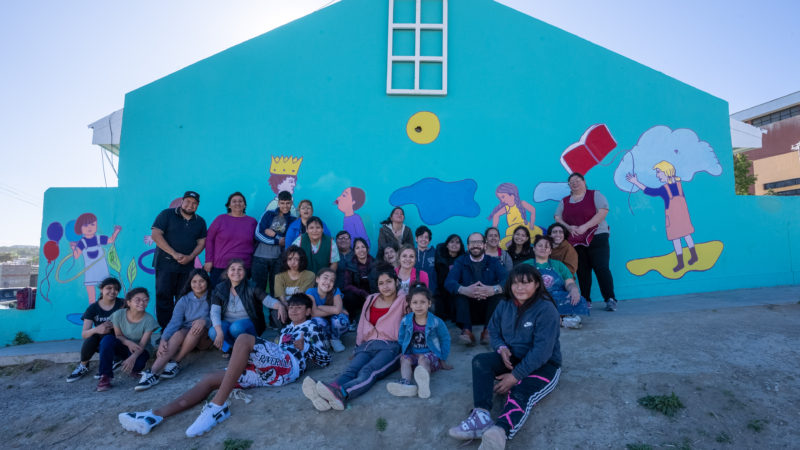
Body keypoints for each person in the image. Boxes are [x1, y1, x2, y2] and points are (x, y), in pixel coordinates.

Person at [118, 293, 331, 437]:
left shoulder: (312, 326)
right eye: (291, 307)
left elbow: (324, 359)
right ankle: (154, 415)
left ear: (308, 311)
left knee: (244, 338)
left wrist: (305, 347)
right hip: (271, 370)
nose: (293, 311)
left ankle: (217, 407)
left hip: (289, 366)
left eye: (299, 308)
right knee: (210, 379)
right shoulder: (285, 331)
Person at [448, 264, 561, 449]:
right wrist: (501, 348)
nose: (520, 288)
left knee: (520, 391)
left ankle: (500, 432)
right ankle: (481, 416)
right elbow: (493, 330)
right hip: (513, 357)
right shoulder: (505, 304)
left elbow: (542, 351)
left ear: (537, 284)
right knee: (480, 362)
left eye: (526, 283)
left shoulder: (546, 309)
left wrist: (515, 376)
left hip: (545, 364)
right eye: (515, 283)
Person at [302, 269, 407, 411]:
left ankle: (342, 393)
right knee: (350, 370)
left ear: (396, 282)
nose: (385, 286)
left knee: (368, 371)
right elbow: (362, 325)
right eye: (381, 283)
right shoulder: (371, 299)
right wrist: (357, 347)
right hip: (367, 345)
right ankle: (328, 392)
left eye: (389, 282)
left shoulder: (404, 300)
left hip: (391, 347)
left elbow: (414, 322)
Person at [135, 269, 213, 391]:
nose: (198, 284)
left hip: (205, 337)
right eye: (194, 281)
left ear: (207, 282)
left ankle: (176, 361)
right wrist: (164, 339)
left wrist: (205, 321)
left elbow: (220, 316)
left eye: (201, 281)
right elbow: (174, 322)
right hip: (187, 336)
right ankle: (152, 373)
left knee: (195, 329)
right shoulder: (184, 300)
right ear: (190, 283)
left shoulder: (213, 296)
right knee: (177, 333)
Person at [554, 172, 618, 311]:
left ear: (584, 182)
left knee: (601, 267)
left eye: (577, 180)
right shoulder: (565, 201)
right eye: (571, 182)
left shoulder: (595, 195)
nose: (575, 183)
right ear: (569, 186)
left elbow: (603, 212)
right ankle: (586, 300)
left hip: (597, 236)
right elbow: (557, 217)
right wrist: (568, 227)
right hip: (576, 239)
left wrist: (585, 226)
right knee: (582, 270)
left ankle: (610, 298)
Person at [626, 161, 698, 272]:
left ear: (666, 172)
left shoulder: (665, 189)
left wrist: (636, 182)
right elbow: (651, 191)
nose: (657, 175)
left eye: (659, 172)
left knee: (678, 238)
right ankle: (690, 257)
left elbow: (650, 191)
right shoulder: (679, 185)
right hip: (682, 217)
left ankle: (684, 261)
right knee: (685, 236)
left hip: (675, 219)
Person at [151, 191, 208, 329]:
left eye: (194, 203)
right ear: (182, 201)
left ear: (198, 205)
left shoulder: (200, 222)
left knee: (183, 298)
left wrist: (191, 257)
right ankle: (166, 330)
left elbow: (202, 243)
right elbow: (156, 235)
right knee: (164, 297)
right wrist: (174, 253)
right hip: (165, 264)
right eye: (188, 201)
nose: (190, 205)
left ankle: (179, 330)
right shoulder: (166, 214)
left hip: (187, 267)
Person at [208, 259, 287, 355]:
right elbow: (215, 312)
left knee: (236, 327)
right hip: (227, 323)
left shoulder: (252, 286)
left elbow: (267, 300)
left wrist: (280, 305)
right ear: (227, 272)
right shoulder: (220, 288)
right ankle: (230, 349)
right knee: (213, 332)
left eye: (240, 269)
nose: (236, 272)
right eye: (232, 269)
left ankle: (247, 347)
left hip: (248, 324)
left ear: (245, 272)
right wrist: (219, 332)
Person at [386, 284, 450, 399]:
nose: (418, 306)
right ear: (410, 304)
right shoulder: (406, 321)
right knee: (404, 359)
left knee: (423, 359)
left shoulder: (436, 322)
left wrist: (443, 359)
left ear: (429, 303)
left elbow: (445, 339)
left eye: (422, 302)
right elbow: (401, 338)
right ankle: (406, 383)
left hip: (430, 357)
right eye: (415, 302)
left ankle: (423, 386)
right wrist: (402, 354)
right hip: (413, 355)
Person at [445, 232, 507, 346]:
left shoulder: (493, 261)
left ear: (485, 245)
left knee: (499, 295)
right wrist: (465, 290)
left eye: (479, 242)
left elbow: (507, 280)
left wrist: (493, 289)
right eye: (472, 243)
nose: (475, 246)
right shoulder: (460, 261)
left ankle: (488, 331)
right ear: (468, 246)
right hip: (467, 312)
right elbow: (449, 282)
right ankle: (467, 331)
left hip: (488, 310)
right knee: (459, 293)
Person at [96, 287, 159, 391]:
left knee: (137, 365)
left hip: (140, 349)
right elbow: (118, 336)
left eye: (145, 300)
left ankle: (130, 365)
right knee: (107, 340)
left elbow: (142, 344)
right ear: (129, 302)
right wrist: (128, 343)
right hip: (124, 345)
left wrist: (133, 357)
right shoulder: (118, 314)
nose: (142, 303)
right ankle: (105, 376)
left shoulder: (149, 320)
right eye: (137, 300)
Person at [522, 235, 589, 328]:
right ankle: (562, 320)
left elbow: (569, 282)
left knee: (578, 299)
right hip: (536, 297)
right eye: (540, 245)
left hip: (557, 297)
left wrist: (574, 290)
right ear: (534, 249)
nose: (543, 248)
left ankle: (547, 319)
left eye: (546, 246)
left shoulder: (558, 265)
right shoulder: (525, 265)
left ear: (550, 251)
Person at [66, 277, 125, 382]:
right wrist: (97, 329)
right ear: (101, 289)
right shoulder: (93, 308)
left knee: (109, 338)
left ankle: (115, 360)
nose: (112, 291)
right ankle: (83, 366)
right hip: (102, 343)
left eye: (116, 289)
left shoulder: (123, 304)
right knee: (91, 338)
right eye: (109, 288)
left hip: (120, 340)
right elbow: (84, 334)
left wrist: (116, 325)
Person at [204, 192, 258, 289]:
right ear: (229, 205)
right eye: (234, 201)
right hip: (220, 266)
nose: (237, 203)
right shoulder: (220, 219)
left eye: (240, 201)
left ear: (245, 205)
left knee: (240, 296)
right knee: (218, 295)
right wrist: (208, 260)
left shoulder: (252, 222)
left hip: (243, 267)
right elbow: (209, 240)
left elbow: (256, 243)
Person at [69, 213, 122, 304]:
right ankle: (92, 310)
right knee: (92, 297)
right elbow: (76, 255)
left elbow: (111, 240)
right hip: (90, 272)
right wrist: (73, 247)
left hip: (102, 271)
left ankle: (104, 309)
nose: (89, 227)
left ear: (96, 226)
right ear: (80, 228)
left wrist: (116, 231)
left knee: (105, 295)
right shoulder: (82, 242)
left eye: (92, 224)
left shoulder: (99, 238)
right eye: (85, 225)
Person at [252, 190, 295, 295]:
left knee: (276, 290)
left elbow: (287, 240)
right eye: (282, 203)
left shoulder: (292, 220)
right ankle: (258, 307)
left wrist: (274, 235)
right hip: (260, 257)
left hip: (278, 259)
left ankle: (275, 307)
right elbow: (258, 234)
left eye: (288, 203)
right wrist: (276, 241)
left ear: (291, 203)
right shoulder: (268, 214)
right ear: (278, 203)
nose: (285, 206)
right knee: (258, 289)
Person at [306, 267, 349, 353]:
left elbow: (337, 310)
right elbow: (314, 313)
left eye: (332, 280)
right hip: (322, 322)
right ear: (317, 279)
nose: (328, 282)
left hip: (333, 322)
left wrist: (320, 307)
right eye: (325, 278)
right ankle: (325, 339)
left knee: (340, 319)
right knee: (315, 320)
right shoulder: (310, 291)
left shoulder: (335, 291)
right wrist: (334, 310)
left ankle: (335, 339)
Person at [488, 182, 542, 249]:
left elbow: (533, 210)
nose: (502, 200)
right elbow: (496, 215)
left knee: (533, 238)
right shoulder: (507, 208)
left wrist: (531, 225)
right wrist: (495, 231)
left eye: (503, 197)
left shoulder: (522, 203)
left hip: (524, 227)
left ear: (512, 195)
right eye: (500, 198)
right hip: (512, 231)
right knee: (505, 244)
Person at [342, 237, 375, 324]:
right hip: (358, 295)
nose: (361, 250)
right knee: (348, 296)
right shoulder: (350, 265)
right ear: (354, 251)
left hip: (373, 295)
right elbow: (347, 285)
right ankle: (352, 320)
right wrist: (362, 293)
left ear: (367, 249)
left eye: (363, 247)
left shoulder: (375, 263)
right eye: (357, 248)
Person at [434, 234, 465, 321]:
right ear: (447, 245)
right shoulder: (440, 257)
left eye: (457, 242)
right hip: (441, 291)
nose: (454, 244)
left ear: (460, 246)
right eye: (452, 242)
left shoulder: (463, 259)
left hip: (456, 291)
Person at [414, 226, 438, 295]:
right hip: (413, 290)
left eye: (426, 237)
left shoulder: (435, 253)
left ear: (429, 240)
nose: (423, 239)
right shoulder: (411, 253)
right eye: (421, 236)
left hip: (431, 291)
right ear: (416, 239)